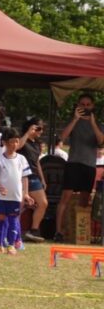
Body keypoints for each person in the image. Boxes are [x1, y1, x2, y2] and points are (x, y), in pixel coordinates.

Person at [55, 94, 104, 239]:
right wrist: (76, 119)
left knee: (85, 200)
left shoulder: (98, 123)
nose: (85, 107)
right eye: (82, 104)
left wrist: (93, 122)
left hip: (89, 165)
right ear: (78, 105)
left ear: (93, 106)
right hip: (73, 163)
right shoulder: (73, 120)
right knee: (65, 197)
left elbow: (101, 141)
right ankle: (58, 231)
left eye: (88, 104)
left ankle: (82, 233)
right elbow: (62, 137)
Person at [0, 127, 33, 255]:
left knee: (13, 220)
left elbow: (24, 177)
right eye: (11, 141)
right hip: (1, 197)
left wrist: (25, 193)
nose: (14, 144)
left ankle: (11, 245)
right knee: (0, 219)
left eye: (16, 141)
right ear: (4, 142)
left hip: (16, 196)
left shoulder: (21, 159)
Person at [16, 117, 47, 242]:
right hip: (22, 175)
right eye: (38, 128)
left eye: (42, 129)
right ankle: (13, 230)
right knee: (20, 204)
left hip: (34, 176)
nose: (40, 131)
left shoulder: (37, 144)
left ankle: (34, 230)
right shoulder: (23, 139)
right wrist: (28, 133)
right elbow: (17, 147)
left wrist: (43, 179)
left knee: (43, 203)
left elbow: (37, 161)